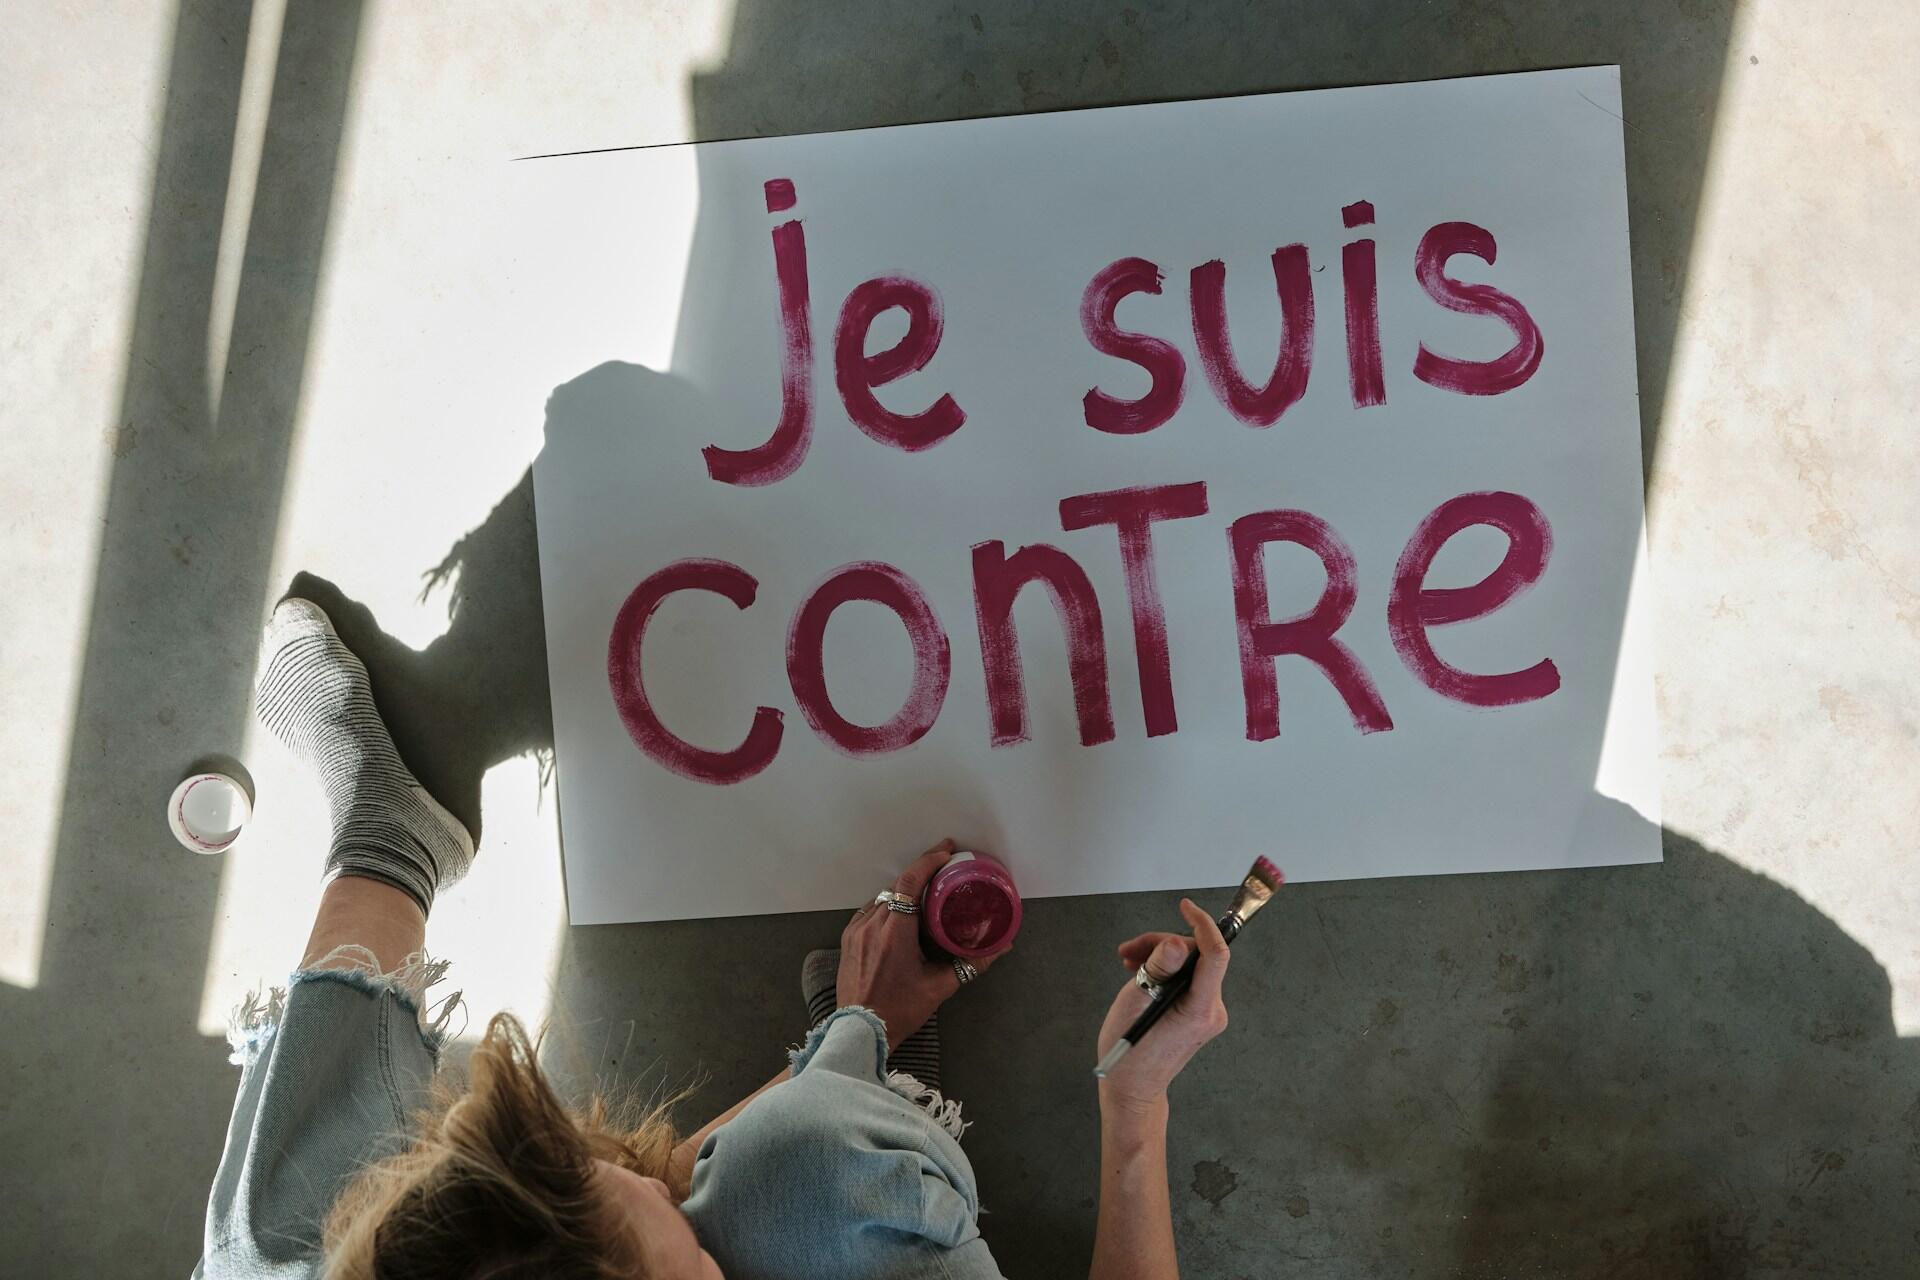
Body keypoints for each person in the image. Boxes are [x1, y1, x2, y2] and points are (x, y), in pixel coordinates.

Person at [197, 598, 1233, 1278]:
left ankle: (391, 837)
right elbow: (732, 1184)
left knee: (275, 1241)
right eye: (681, 1244)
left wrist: (857, 1036)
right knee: (822, 1186)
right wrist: (1133, 1108)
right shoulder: (853, 1188)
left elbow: (674, 1184)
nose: (655, 1174)